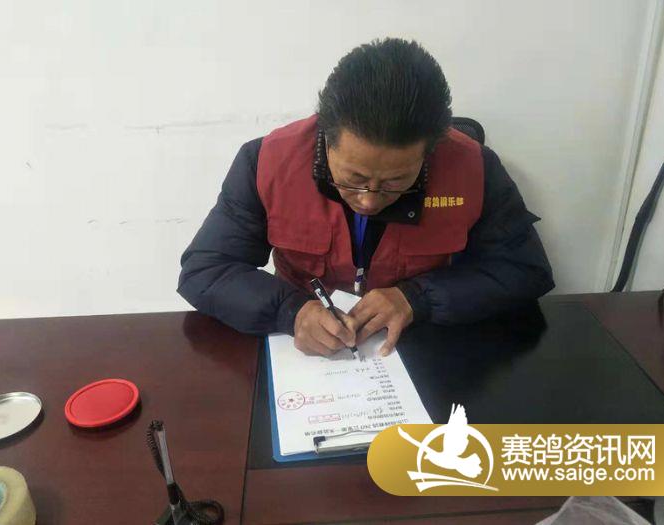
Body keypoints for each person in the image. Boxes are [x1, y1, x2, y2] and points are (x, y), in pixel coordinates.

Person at [178, 38, 554, 357]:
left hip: (420, 346)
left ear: (431, 151)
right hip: (308, 351)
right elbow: (206, 270)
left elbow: (524, 270)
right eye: (354, 179)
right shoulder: (266, 162)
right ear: (325, 138)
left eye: (396, 181)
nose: (370, 201)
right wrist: (290, 311)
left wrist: (418, 298)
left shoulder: (474, 168)